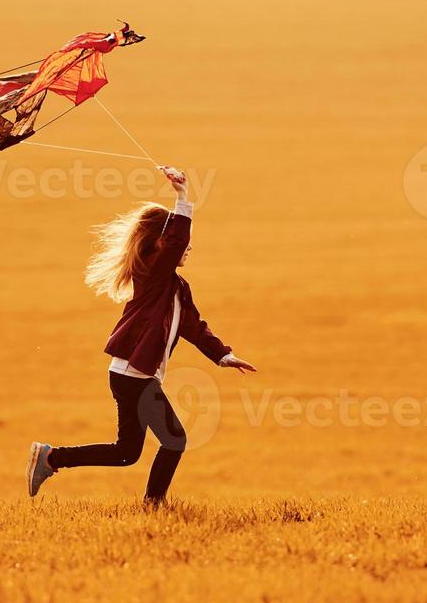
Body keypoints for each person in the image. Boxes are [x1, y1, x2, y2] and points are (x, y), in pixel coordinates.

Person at [27, 166, 257, 505]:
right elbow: (179, 241)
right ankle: (153, 504)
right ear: (161, 244)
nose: (188, 250)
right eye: (179, 245)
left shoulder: (174, 286)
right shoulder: (153, 275)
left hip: (130, 375)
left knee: (126, 452)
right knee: (174, 440)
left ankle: (50, 457)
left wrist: (222, 355)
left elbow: (193, 326)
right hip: (134, 376)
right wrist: (182, 198)